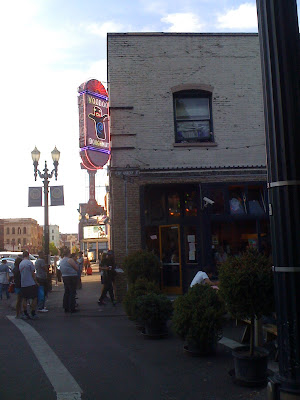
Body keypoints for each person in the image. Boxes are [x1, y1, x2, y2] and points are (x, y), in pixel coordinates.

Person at [19, 250, 39, 320]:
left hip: (23, 283)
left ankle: (25, 313)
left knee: (24, 298)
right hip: (31, 283)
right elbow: (33, 274)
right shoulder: (29, 263)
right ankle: (33, 312)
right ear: (28, 255)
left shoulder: (21, 264)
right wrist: (36, 281)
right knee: (34, 298)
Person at [60, 249, 79, 313]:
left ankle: (66, 307)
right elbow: (76, 268)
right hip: (72, 276)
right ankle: (72, 307)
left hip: (65, 276)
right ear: (69, 253)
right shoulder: (70, 260)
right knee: (72, 292)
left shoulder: (62, 261)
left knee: (67, 292)